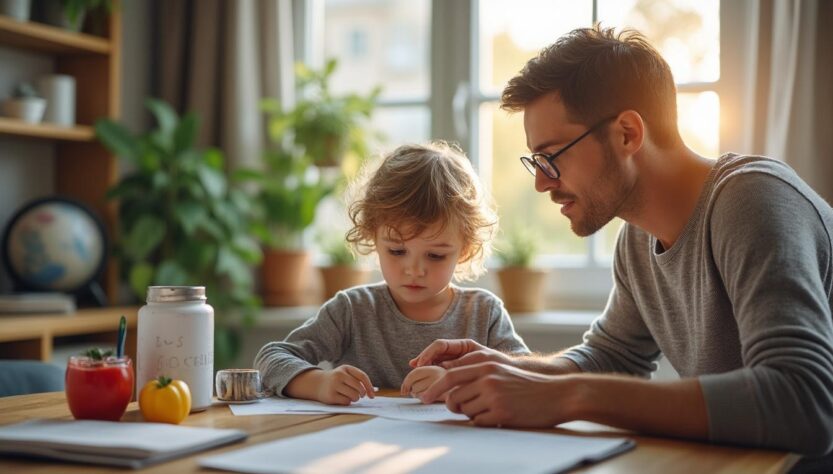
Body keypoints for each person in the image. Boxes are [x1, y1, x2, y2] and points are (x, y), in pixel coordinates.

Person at [411, 25, 833, 456]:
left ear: (628, 133)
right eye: (536, 161)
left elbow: (804, 402)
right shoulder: (638, 238)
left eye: (551, 156)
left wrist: (567, 395)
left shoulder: (753, 201)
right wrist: (514, 371)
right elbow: (613, 357)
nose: (541, 182)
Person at [254, 142, 529, 406]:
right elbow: (271, 358)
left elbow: (526, 377)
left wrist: (454, 383)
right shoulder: (352, 309)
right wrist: (319, 383)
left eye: (435, 256)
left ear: (465, 250)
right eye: (397, 251)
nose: (414, 269)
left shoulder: (483, 313)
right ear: (373, 237)